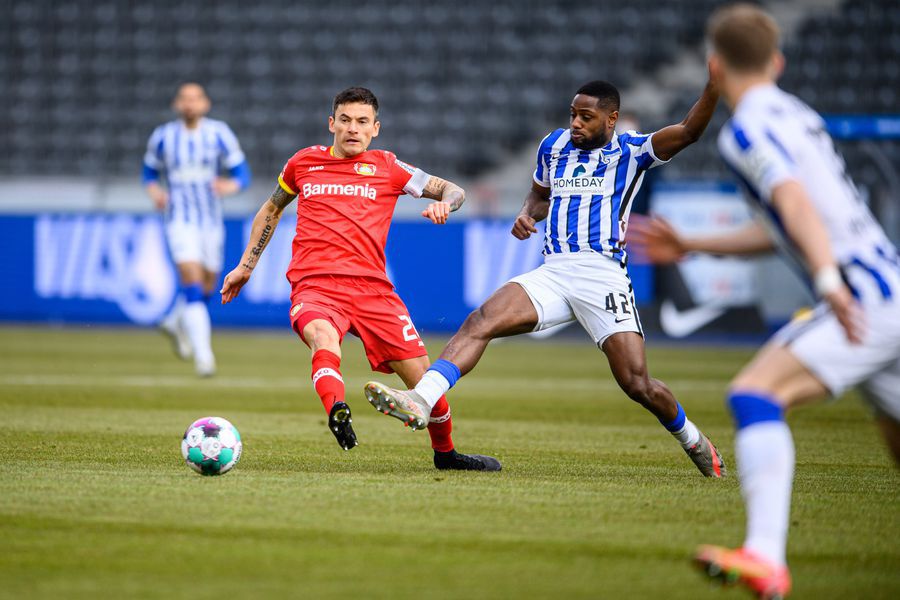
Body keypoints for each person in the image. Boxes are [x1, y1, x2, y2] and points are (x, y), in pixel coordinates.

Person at [627, 5, 900, 598]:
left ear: (714, 67)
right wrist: (693, 243)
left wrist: (828, 283)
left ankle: (765, 557)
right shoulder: (797, 114)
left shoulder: (747, 129)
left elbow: (795, 204)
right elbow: (787, 223)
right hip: (889, 291)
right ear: (777, 61)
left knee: (754, 394)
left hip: (860, 297)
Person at [365, 76, 726, 477]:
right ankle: (421, 399)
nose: (576, 123)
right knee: (481, 320)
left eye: (586, 117)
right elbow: (539, 195)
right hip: (554, 271)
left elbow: (691, 131)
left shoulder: (634, 150)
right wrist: (525, 213)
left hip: (602, 275)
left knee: (637, 383)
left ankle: (693, 439)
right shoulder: (553, 146)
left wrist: (713, 87)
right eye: (573, 114)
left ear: (612, 119)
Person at [220, 87, 500, 471]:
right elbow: (272, 207)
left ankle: (446, 454)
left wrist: (445, 204)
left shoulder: (389, 167)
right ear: (331, 123)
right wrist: (246, 266)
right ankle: (337, 408)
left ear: (376, 129)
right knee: (323, 337)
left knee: (426, 383)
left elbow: (454, 189)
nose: (353, 128)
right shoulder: (303, 164)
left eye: (362, 122)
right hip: (315, 285)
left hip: (373, 292)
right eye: (346, 120)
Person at [143, 82, 251, 377]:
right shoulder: (163, 137)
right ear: (177, 104)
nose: (190, 104)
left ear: (205, 104)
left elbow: (243, 173)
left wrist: (229, 185)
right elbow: (149, 172)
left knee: (206, 286)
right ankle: (205, 358)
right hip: (179, 219)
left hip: (210, 221)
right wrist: (155, 193)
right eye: (184, 99)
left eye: (195, 99)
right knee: (191, 284)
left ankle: (173, 321)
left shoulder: (219, 134)